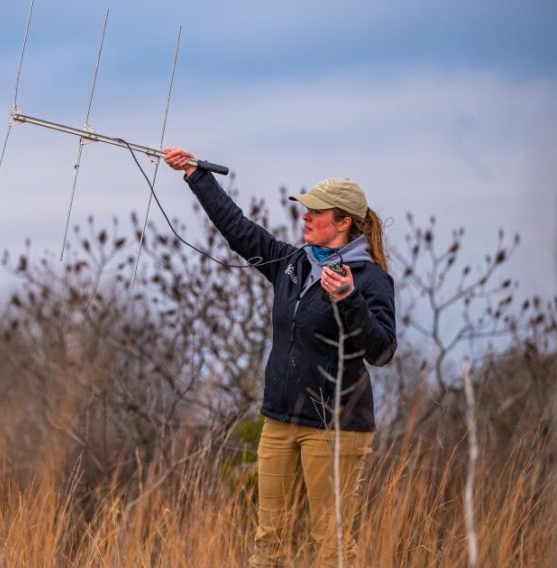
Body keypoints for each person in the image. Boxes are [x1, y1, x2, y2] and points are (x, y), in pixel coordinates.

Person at [163, 147, 397, 568]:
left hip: (337, 429)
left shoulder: (370, 279)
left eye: (316, 212)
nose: (305, 216)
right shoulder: (291, 263)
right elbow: (239, 231)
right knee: (268, 546)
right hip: (279, 422)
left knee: (332, 548)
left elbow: (382, 351)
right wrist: (197, 175)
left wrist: (348, 300)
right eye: (305, 209)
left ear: (343, 222)